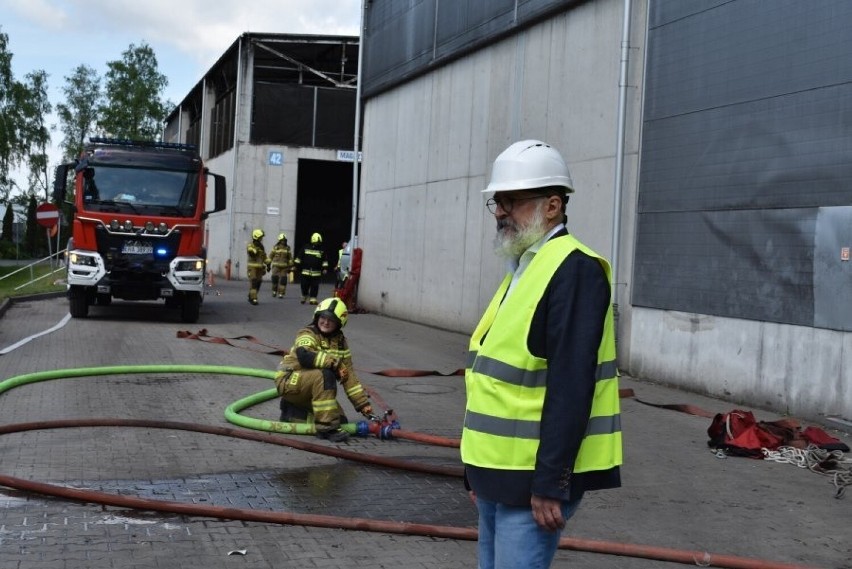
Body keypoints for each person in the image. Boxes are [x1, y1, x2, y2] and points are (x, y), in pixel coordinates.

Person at [460, 140, 622, 569]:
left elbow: (572, 386)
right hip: (497, 475)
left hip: (532, 483)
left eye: (511, 201)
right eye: (497, 202)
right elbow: (490, 380)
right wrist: (474, 471)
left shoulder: (575, 270)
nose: (499, 212)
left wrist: (552, 483)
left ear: (552, 206)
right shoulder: (523, 266)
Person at [273, 297, 374, 443]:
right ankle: (325, 429)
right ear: (317, 317)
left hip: (312, 388)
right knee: (325, 375)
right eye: (323, 317)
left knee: (341, 421)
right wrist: (334, 364)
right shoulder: (308, 333)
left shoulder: (341, 344)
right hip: (289, 381)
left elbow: (349, 377)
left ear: (339, 324)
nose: (326, 322)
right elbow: (304, 355)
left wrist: (364, 407)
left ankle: (293, 412)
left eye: (331, 320)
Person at [294, 232, 328, 305]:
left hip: (316, 273)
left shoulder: (322, 250)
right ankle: (304, 295)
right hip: (305, 272)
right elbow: (299, 257)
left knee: (315, 286)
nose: (318, 244)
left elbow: (324, 260)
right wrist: (295, 266)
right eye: (317, 242)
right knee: (304, 285)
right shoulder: (305, 248)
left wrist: (325, 268)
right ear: (313, 241)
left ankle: (313, 298)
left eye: (319, 242)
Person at [246, 228, 270, 305]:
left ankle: (251, 295)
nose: (261, 239)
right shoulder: (251, 245)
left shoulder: (261, 247)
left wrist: (268, 264)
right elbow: (251, 252)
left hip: (260, 268)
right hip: (252, 267)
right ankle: (253, 298)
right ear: (256, 237)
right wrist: (256, 248)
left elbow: (264, 257)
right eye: (260, 237)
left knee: (258, 283)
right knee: (253, 281)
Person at [269, 232, 294, 298]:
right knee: (275, 279)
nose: (284, 241)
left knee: (283, 280)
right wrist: (268, 264)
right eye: (283, 240)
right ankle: (274, 291)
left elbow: (290, 258)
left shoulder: (287, 248)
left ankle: (281, 293)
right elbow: (270, 256)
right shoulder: (276, 247)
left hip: (284, 267)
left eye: (285, 240)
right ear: (280, 240)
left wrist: (291, 266)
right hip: (276, 267)